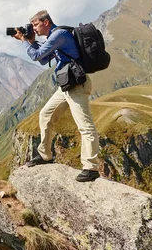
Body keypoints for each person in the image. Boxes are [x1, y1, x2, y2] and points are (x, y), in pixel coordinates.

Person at [13, 10, 100, 182]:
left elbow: (36, 55)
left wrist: (24, 41)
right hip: (66, 85)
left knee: (85, 126)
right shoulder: (54, 37)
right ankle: (45, 155)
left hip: (76, 85)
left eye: (36, 25)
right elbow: (44, 60)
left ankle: (91, 167)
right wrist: (31, 41)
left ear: (45, 22)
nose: (34, 29)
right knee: (46, 114)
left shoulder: (59, 34)